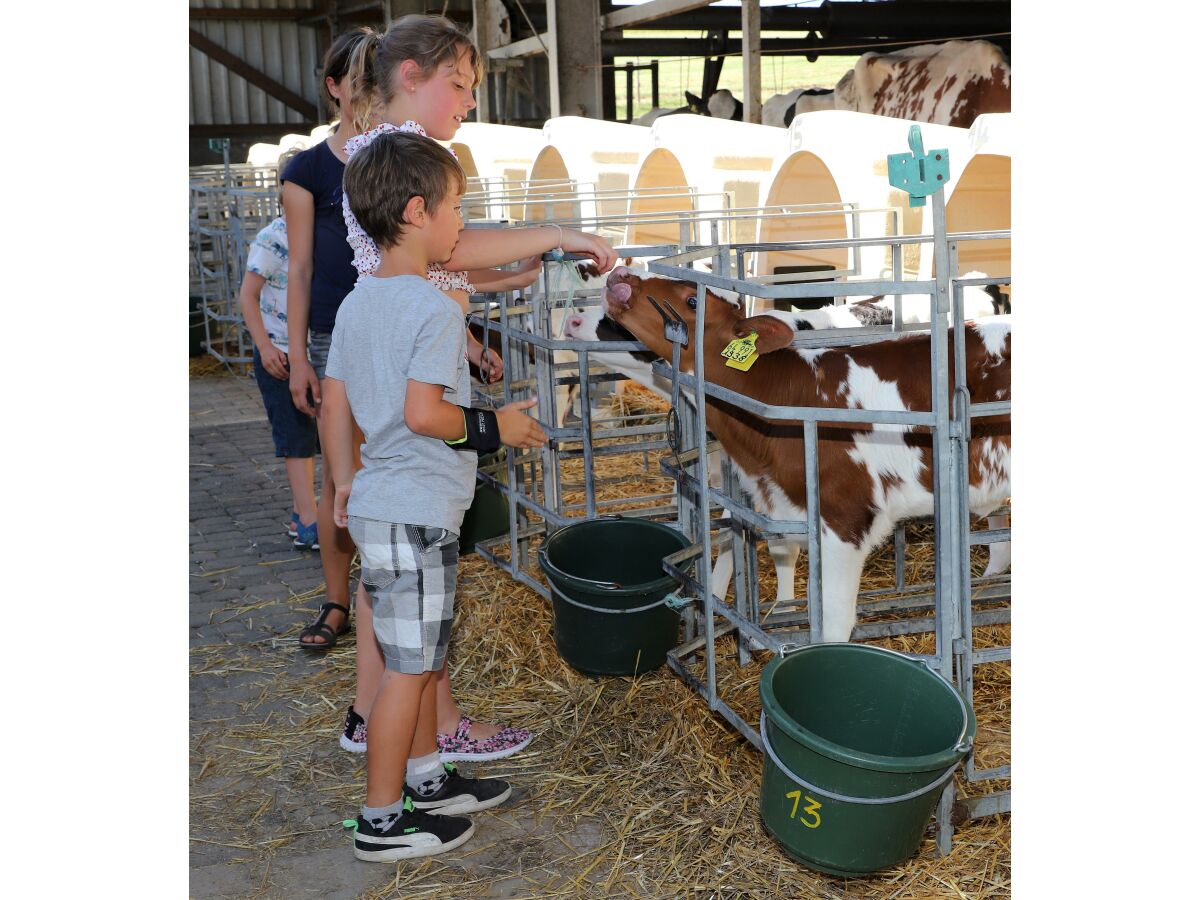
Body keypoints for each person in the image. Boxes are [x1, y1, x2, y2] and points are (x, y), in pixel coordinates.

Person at [331, 12, 619, 764]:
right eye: (458, 86)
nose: (467, 104)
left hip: (387, 389)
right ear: (410, 79)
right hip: (413, 415)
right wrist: (558, 234)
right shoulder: (404, 162)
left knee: (390, 581)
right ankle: (424, 733)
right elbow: (447, 250)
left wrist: (503, 282)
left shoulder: (376, 155)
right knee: (420, 583)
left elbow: (435, 263)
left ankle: (377, 718)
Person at [323, 130, 547, 861]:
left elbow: (353, 401)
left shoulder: (363, 300)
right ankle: (381, 820)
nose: (462, 222)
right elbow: (426, 414)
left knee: (411, 658)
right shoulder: (429, 308)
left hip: (386, 503)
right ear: (418, 212)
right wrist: (498, 425)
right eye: (457, 208)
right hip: (413, 507)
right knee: (409, 669)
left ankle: (423, 778)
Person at [237, 148, 320, 550]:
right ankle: (308, 519)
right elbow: (247, 296)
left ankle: (301, 511)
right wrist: (265, 347)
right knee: (297, 437)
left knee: (321, 432)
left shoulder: (323, 233)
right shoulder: (273, 238)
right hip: (279, 352)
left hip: (312, 346)